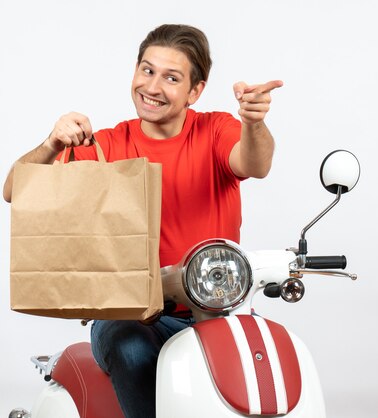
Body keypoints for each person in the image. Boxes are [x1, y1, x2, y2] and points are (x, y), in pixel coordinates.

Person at [3, 24, 282, 418]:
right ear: (135, 71)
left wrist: (253, 122)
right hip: (130, 316)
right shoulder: (109, 145)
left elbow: (255, 163)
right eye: (147, 71)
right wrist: (52, 143)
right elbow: (16, 190)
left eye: (171, 78)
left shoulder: (215, 129)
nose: (153, 86)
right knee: (129, 347)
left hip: (216, 311)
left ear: (195, 91)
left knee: (265, 360)